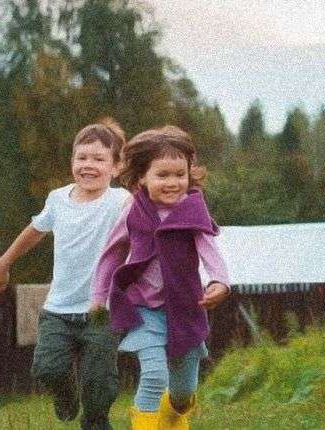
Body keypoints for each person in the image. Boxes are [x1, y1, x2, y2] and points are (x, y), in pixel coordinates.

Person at [0, 118, 129, 430]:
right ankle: (66, 395)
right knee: (47, 368)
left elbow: (149, 223)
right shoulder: (58, 199)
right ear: (72, 161)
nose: (88, 165)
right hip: (58, 309)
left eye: (99, 159)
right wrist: (3, 264)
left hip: (102, 311)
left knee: (98, 383)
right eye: (81, 157)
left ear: (116, 167)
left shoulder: (121, 201)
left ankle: (96, 422)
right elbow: (33, 232)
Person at [90, 126, 230, 430]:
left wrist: (219, 280)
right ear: (142, 177)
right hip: (143, 309)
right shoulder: (133, 212)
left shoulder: (192, 210)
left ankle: (172, 417)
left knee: (183, 394)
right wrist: (99, 295)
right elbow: (112, 253)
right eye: (162, 175)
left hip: (186, 310)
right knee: (154, 376)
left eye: (180, 175)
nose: (172, 182)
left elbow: (209, 248)